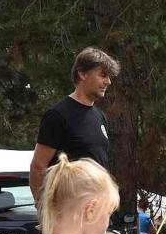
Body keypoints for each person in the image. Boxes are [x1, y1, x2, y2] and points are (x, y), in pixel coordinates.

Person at [29, 47, 120, 206]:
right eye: (102, 75)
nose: (108, 81)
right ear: (82, 74)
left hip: (96, 210)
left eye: (109, 77)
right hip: (67, 212)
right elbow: (38, 167)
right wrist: (43, 208)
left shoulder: (100, 116)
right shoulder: (57, 115)